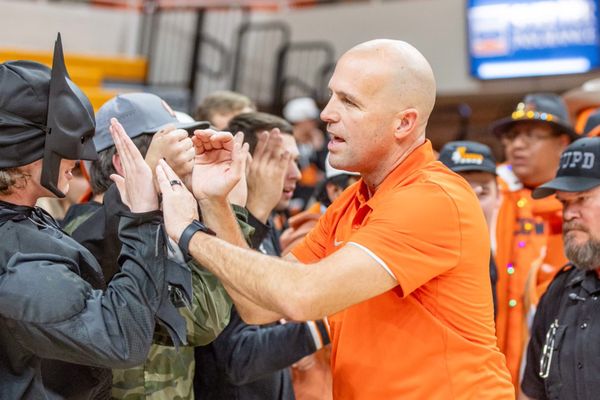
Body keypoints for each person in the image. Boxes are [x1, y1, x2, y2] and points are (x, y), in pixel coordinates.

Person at [156, 39, 514, 398]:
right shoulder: (351, 202)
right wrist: (215, 202)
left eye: (349, 102)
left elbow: (301, 296)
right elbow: (259, 306)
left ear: (404, 123)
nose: (326, 113)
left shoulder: (433, 197)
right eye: (331, 96)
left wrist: (192, 233)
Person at [0, 35, 171, 399]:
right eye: (71, 144)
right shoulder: (18, 262)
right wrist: (143, 218)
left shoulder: (21, 223)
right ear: (31, 152)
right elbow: (121, 338)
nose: (85, 159)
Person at [62, 92, 235, 399]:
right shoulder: (79, 229)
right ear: (122, 160)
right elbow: (203, 322)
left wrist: (218, 204)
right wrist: (149, 175)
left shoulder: (163, 222)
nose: (189, 158)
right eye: (174, 146)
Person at [194, 112, 329, 400]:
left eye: (294, 159)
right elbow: (237, 359)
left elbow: (262, 326)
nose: (294, 172)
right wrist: (322, 326)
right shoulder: (213, 237)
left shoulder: (267, 228)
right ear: (247, 166)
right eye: (281, 160)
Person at [490, 93, 577, 385]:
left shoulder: (583, 206)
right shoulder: (492, 194)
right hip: (494, 367)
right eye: (512, 136)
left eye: (531, 135)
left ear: (562, 143)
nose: (517, 145)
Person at [520, 137, 600, 400]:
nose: (568, 215)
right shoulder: (559, 292)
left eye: (581, 199)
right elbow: (531, 393)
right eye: (564, 203)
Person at [438, 140, 501, 314]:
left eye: (483, 192)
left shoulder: (493, 258)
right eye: (458, 190)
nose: (472, 203)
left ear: (499, 196)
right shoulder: (420, 257)